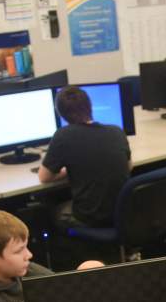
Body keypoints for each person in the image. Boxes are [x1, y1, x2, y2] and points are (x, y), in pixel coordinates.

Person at [39, 86, 132, 229]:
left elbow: (44, 177)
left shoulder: (63, 136)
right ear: (90, 106)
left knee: (52, 211)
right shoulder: (117, 131)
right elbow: (129, 166)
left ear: (60, 113)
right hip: (123, 211)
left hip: (91, 216)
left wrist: (69, 172)